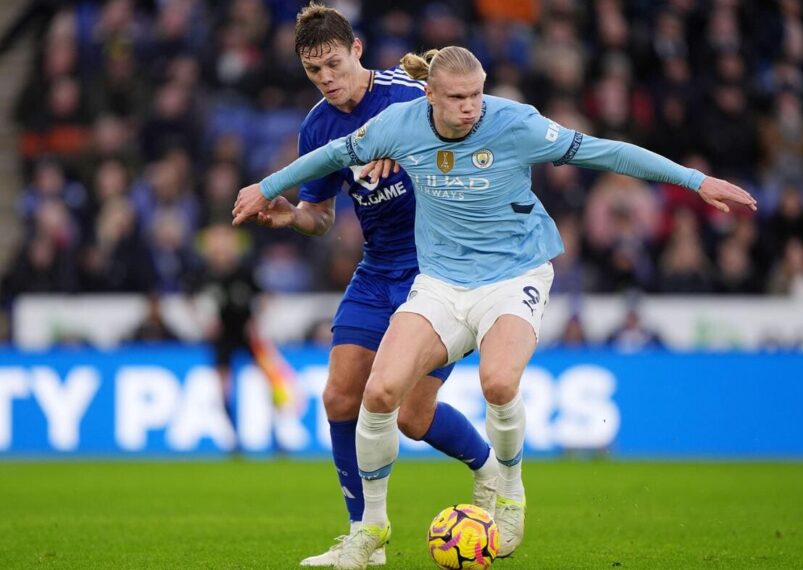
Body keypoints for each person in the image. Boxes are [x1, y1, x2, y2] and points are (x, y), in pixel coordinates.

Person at [233, 46, 757, 569]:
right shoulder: (400, 124)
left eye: (476, 95)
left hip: (514, 276)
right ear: (430, 97)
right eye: (457, 98)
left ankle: (509, 498)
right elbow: (329, 157)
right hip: (439, 282)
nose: (470, 108)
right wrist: (267, 187)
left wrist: (696, 182)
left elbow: (608, 152)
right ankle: (369, 531)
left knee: (499, 383)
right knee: (380, 392)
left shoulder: (513, 124)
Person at [250, 6, 497, 567]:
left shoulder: (409, 94)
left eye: (334, 64)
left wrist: (407, 147)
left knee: (411, 417)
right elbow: (319, 216)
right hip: (377, 268)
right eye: (314, 72)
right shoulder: (317, 126)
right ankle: (366, 538)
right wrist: (292, 216)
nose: (327, 79)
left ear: (357, 48)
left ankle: (490, 469)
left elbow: (476, 142)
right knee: (339, 395)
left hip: (439, 269)